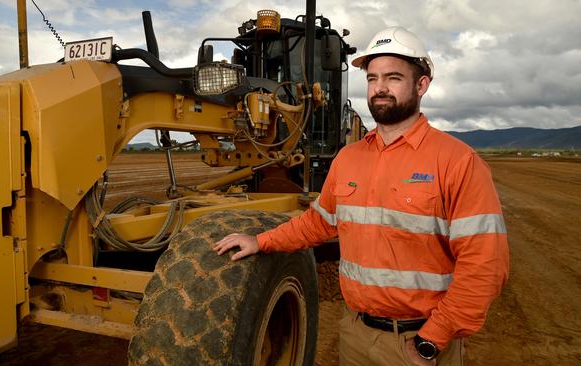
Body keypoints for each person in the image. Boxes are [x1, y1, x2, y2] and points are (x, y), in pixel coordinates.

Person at [214, 26, 509, 366]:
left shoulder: (458, 162)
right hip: (355, 335)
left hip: (418, 342)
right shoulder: (349, 158)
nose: (380, 88)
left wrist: (432, 340)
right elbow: (317, 224)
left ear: (422, 84)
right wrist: (261, 241)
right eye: (372, 79)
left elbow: (485, 267)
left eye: (393, 77)